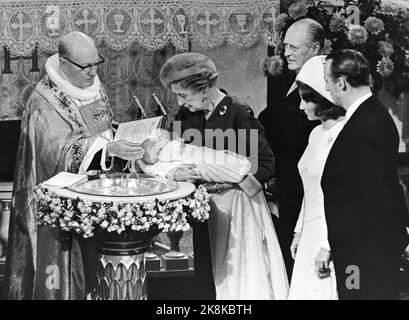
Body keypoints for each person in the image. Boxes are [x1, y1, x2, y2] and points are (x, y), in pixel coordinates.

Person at [3, 32, 145, 300]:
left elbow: (96, 127)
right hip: (58, 209)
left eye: (96, 63)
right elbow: (52, 154)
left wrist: (118, 137)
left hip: (97, 198)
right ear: (64, 63)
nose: (92, 72)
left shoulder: (91, 83)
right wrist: (105, 148)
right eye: (86, 66)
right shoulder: (44, 101)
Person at [159, 52, 287, 299]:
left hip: (237, 207)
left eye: (184, 95)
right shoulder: (186, 116)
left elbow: (266, 163)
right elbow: (175, 153)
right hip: (203, 207)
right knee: (207, 275)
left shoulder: (238, 112)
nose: (181, 102)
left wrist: (226, 176)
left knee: (238, 277)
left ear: (205, 88)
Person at [322, 49, 409, 299]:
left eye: (328, 82)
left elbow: (375, 195)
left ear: (341, 82)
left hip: (364, 251)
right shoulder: (366, 116)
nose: (327, 90)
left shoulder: (369, 123)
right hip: (357, 247)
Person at [258, 18, 325, 278]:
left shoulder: (320, 85)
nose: (286, 53)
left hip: (304, 187)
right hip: (286, 182)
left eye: (294, 48)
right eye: (285, 46)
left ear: (316, 48)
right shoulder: (288, 79)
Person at [287, 56, 345, 300]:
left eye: (307, 100)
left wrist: (329, 244)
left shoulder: (345, 132)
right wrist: (299, 231)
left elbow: (346, 196)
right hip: (310, 229)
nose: (301, 107)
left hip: (330, 231)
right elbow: (310, 189)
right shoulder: (315, 133)